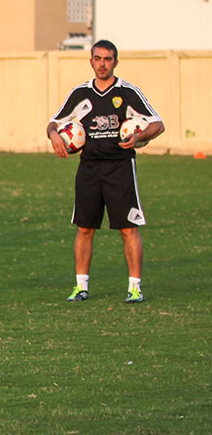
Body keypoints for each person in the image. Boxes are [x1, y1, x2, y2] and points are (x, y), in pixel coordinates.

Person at [47, 39, 164, 304]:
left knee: (128, 229)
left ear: (115, 62)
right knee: (85, 228)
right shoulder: (81, 94)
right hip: (88, 168)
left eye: (108, 59)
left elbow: (158, 124)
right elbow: (54, 122)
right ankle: (81, 287)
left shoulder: (128, 92)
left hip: (120, 167)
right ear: (91, 61)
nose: (102, 64)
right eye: (98, 59)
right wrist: (54, 134)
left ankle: (135, 288)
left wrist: (139, 136)